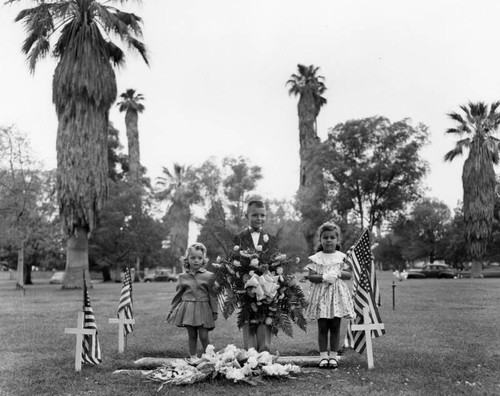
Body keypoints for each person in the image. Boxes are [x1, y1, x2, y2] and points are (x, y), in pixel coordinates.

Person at [305, 222, 355, 369]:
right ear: (320, 240)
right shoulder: (316, 258)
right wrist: (323, 277)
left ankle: (333, 356)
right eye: (325, 237)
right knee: (322, 327)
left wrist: (338, 273)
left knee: (335, 326)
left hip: (337, 297)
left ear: (337, 240)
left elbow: (349, 274)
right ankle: (323, 357)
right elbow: (311, 276)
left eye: (332, 237)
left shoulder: (341, 257)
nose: (328, 240)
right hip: (321, 296)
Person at [232, 199, 278, 351]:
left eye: (262, 215)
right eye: (255, 215)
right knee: (248, 320)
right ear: (247, 215)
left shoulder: (270, 238)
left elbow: (274, 262)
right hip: (246, 287)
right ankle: (250, 354)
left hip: (266, 289)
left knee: (265, 319)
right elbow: (234, 262)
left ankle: (264, 354)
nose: (259, 218)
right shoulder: (239, 238)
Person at [167, 243, 218, 362]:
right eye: (193, 258)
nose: (196, 261)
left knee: (204, 336)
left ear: (204, 259)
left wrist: (214, 311)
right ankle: (193, 358)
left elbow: (212, 295)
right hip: (188, 309)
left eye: (199, 258)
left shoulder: (209, 276)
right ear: (187, 259)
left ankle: (211, 358)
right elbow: (178, 295)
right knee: (192, 335)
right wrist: (171, 309)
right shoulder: (182, 277)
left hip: (204, 309)